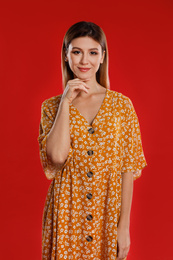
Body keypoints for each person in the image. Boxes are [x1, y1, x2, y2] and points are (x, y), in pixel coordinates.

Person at [38, 21, 147, 260]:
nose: (84, 61)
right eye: (76, 51)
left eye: (92, 52)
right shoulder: (51, 107)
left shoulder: (122, 106)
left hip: (106, 214)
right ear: (66, 56)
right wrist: (65, 102)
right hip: (67, 213)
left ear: (102, 57)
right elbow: (56, 157)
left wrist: (123, 226)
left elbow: (127, 167)